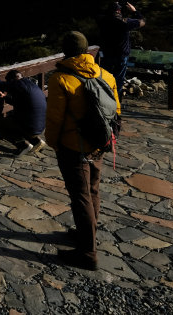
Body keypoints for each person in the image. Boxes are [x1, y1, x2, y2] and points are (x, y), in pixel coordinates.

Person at [45, 31, 121, 271]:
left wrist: (53, 141)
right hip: (99, 142)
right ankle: (86, 234)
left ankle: (88, 252)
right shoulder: (106, 74)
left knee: (80, 195)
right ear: (87, 51)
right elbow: (116, 109)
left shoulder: (60, 79)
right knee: (92, 189)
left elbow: (55, 118)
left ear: (65, 51)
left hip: (72, 144)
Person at [0, 69, 47, 154]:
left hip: (30, 126)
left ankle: (23, 146)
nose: (8, 83)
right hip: (41, 125)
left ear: (13, 79)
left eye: (8, 81)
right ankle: (36, 141)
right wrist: (4, 97)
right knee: (17, 121)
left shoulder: (17, 84)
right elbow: (19, 102)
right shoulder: (30, 84)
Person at [97, 0, 145, 96]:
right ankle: (116, 102)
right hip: (121, 56)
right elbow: (142, 21)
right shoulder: (125, 22)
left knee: (105, 79)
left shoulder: (102, 21)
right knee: (118, 81)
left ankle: (104, 100)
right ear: (119, 11)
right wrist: (134, 11)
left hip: (106, 55)